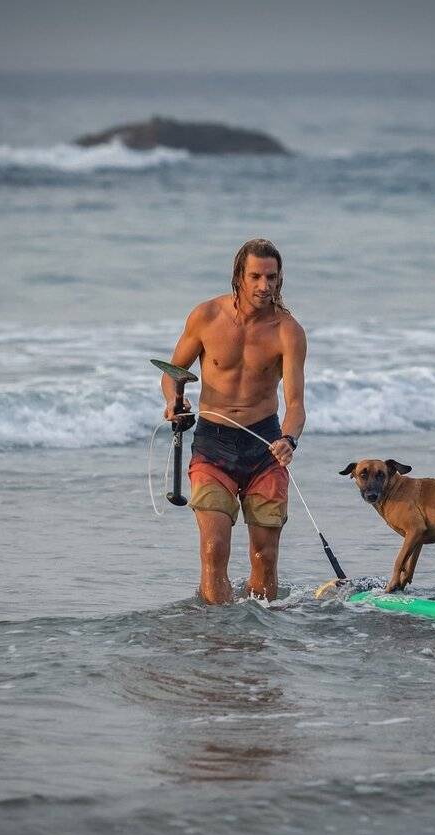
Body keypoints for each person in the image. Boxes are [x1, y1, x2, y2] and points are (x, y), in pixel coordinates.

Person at [162, 238, 307, 604]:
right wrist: (172, 403)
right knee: (214, 549)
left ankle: (258, 637)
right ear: (238, 277)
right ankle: (217, 639)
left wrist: (289, 439)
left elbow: (295, 404)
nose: (264, 286)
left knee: (265, 558)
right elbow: (172, 373)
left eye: (271, 277)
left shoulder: (288, 332)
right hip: (213, 445)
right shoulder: (206, 317)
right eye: (255, 276)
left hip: (265, 447)